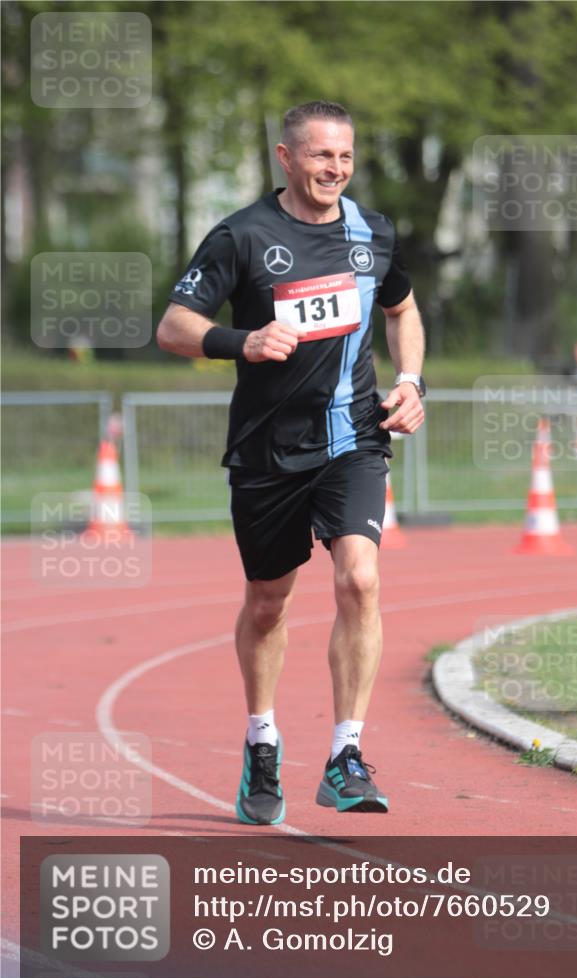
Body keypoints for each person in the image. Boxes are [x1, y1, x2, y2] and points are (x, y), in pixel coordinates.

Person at [157, 101, 425, 824]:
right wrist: (239, 341)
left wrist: (409, 382)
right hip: (267, 451)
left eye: (344, 157)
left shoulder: (372, 233)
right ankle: (261, 738)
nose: (333, 169)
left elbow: (400, 309)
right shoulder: (241, 235)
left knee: (359, 579)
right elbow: (173, 325)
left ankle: (345, 754)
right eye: (319, 156)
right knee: (269, 602)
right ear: (285, 157)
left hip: (353, 439)